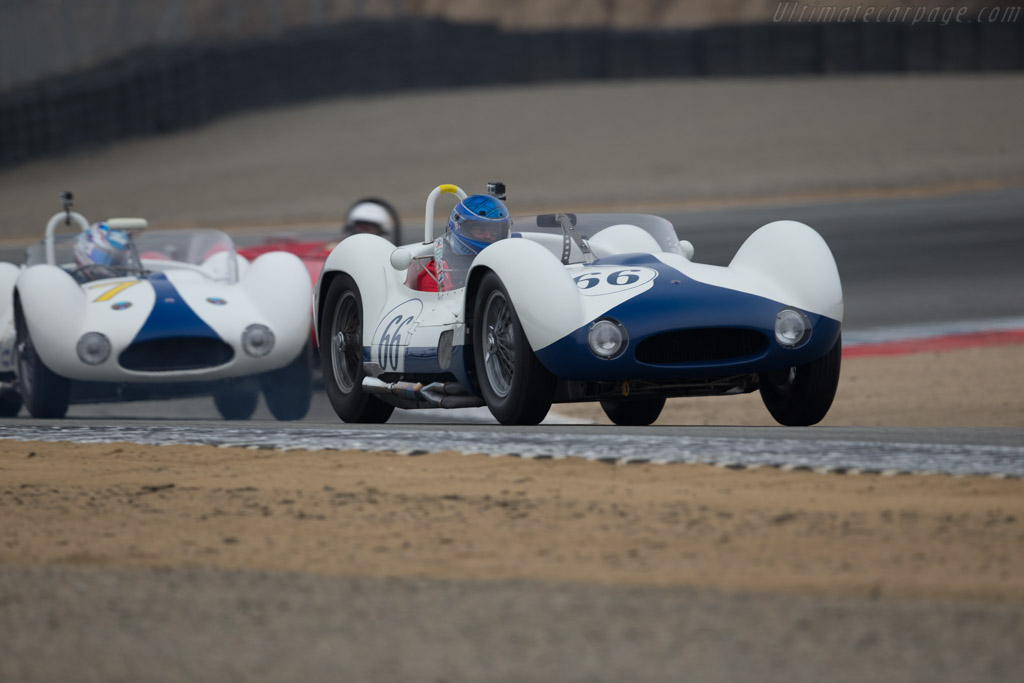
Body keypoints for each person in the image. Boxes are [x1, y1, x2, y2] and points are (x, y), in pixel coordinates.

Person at [416, 194, 510, 292]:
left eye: (494, 231)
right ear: (458, 227)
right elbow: (434, 306)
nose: (488, 236)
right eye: (480, 230)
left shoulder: (508, 260)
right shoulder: (436, 272)